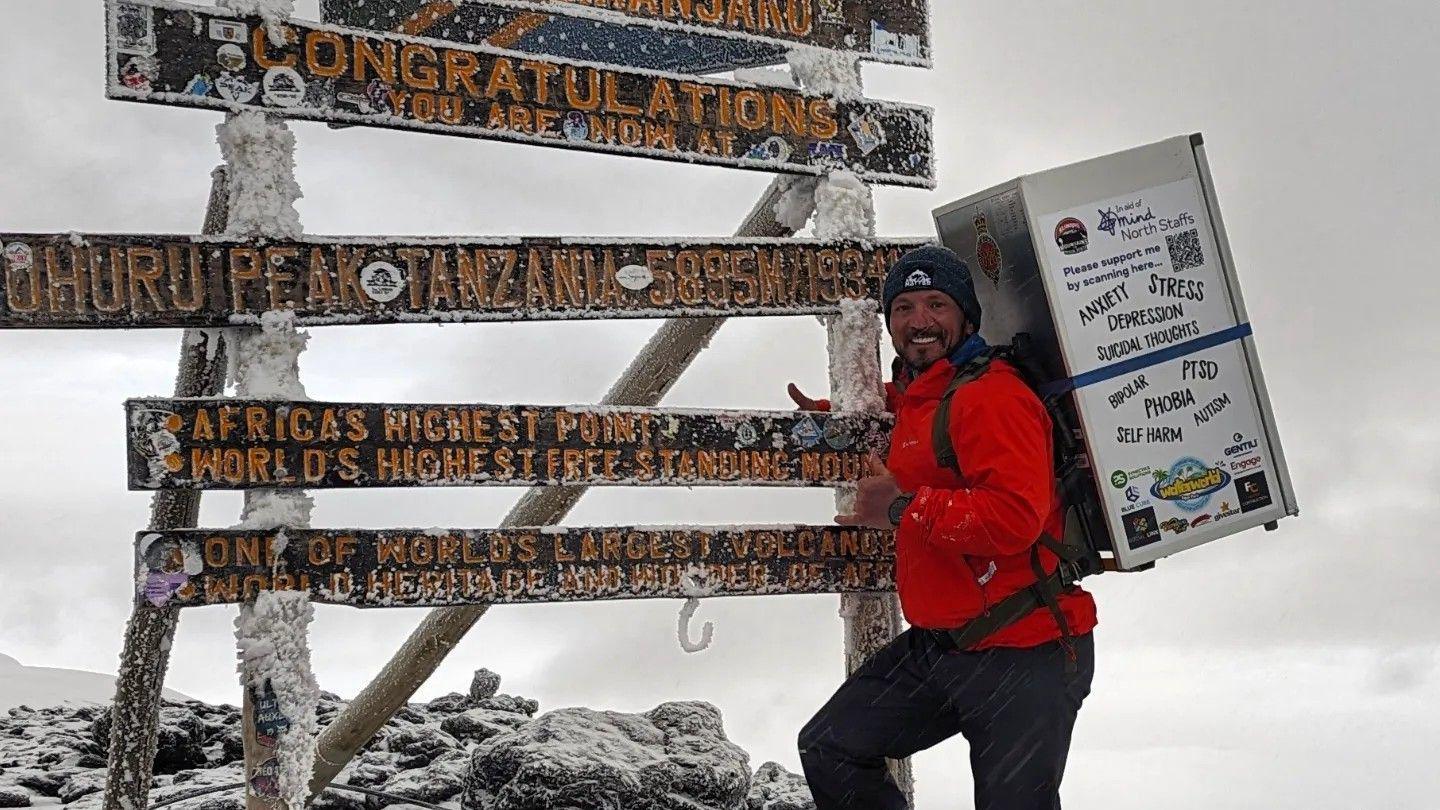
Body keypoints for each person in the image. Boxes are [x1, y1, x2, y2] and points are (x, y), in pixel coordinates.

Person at [792, 245, 1098, 810]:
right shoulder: (922, 393)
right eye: (903, 307)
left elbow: (1013, 520)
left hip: (1027, 650)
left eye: (936, 303)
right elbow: (913, 416)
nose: (919, 320)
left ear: (966, 318)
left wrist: (902, 507)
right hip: (946, 647)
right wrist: (841, 416)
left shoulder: (994, 397)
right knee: (830, 747)